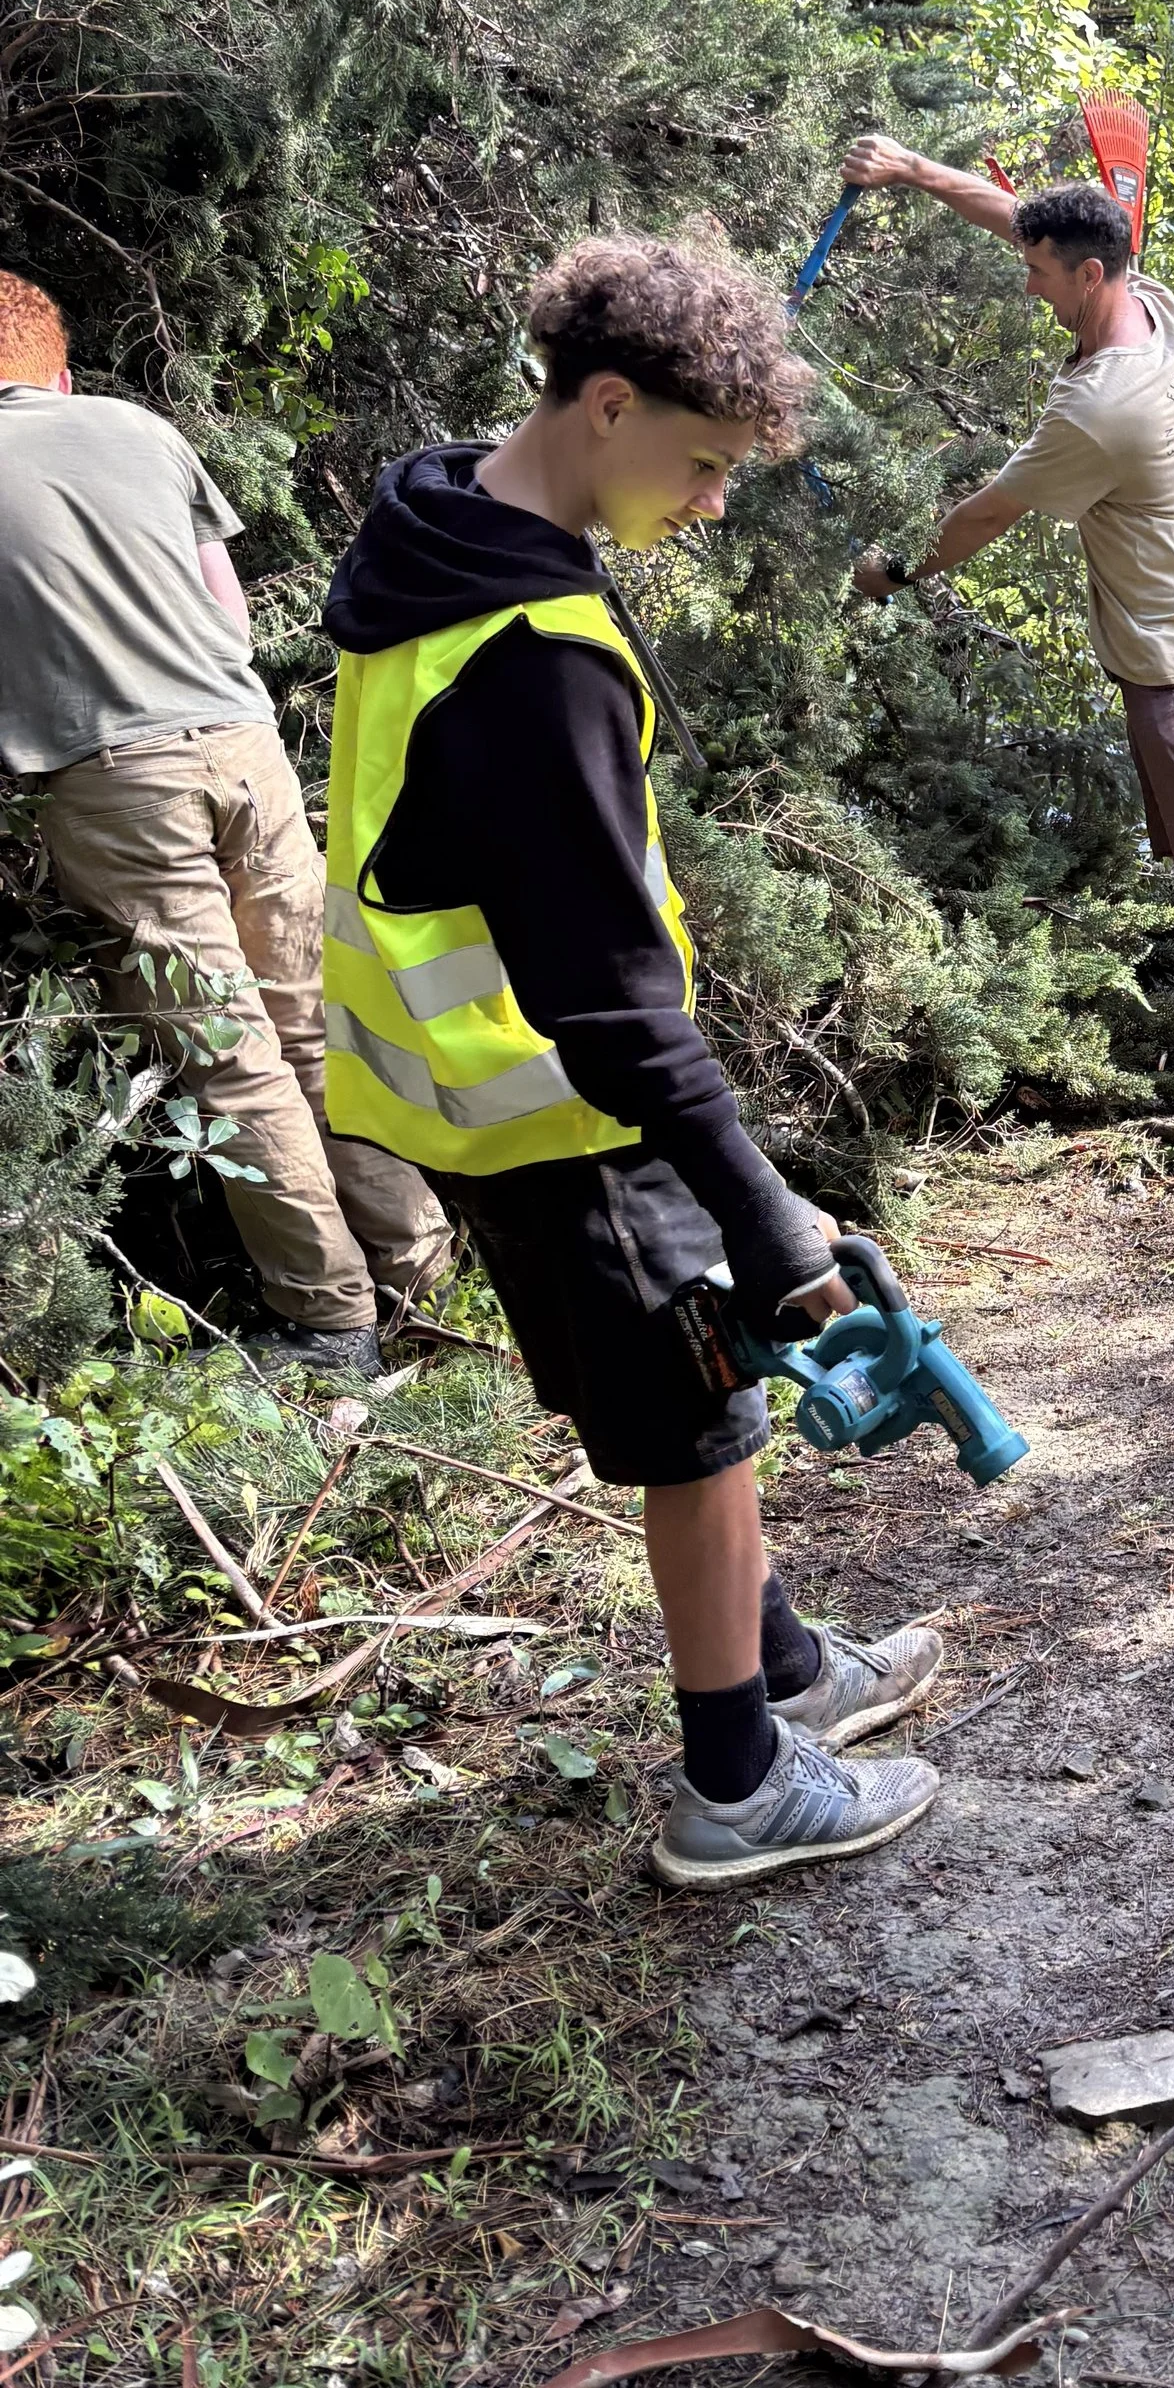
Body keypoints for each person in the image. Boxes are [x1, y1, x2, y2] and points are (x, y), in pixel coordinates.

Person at [322, 235, 945, 1887]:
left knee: (695, 1395)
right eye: (704, 462)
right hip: (553, 1103)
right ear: (608, 404)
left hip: (476, 1092)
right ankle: (738, 1776)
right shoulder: (525, 650)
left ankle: (787, 1661)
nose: (716, 500)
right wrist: (762, 1208)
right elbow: (602, 992)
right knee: (703, 1422)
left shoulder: (440, 524)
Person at [0, 272, 452, 1375]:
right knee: (312, 1028)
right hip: (245, 751)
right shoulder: (139, 431)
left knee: (227, 1053)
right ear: (55, 369)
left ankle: (328, 1317)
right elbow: (228, 615)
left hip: (115, 784)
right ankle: (423, 1275)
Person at [840, 134, 1174, 1107]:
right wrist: (910, 170)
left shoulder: (1097, 407)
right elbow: (1029, 221)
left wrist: (894, 571)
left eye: (1038, 275)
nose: (1027, 285)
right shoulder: (1146, 303)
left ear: (1085, 274)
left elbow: (985, 514)